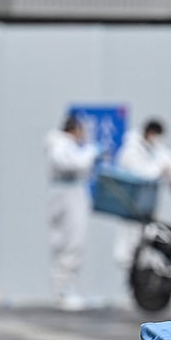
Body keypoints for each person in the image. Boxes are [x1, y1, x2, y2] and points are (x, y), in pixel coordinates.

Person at [112, 118, 171, 270]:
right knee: (130, 243)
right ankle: (132, 278)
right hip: (131, 205)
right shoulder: (130, 150)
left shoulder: (155, 148)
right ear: (149, 132)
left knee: (148, 239)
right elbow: (142, 175)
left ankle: (143, 278)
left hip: (147, 205)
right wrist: (160, 169)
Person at [44, 114, 100, 311]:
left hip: (67, 196)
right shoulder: (62, 145)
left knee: (66, 245)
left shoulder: (62, 145)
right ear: (74, 130)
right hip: (68, 198)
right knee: (71, 244)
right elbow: (72, 164)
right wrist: (90, 153)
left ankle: (64, 290)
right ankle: (63, 292)